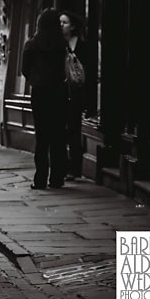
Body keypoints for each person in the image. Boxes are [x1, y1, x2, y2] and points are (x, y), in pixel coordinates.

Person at [22, 9, 69, 190]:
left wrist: (36, 78)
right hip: (59, 93)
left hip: (40, 93)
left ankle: (40, 179)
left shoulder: (31, 45)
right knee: (58, 136)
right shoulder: (62, 44)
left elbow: (25, 69)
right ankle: (57, 178)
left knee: (42, 138)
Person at [60, 11, 89, 181]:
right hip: (62, 92)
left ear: (73, 26)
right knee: (62, 131)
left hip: (77, 92)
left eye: (64, 22)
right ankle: (64, 166)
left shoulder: (82, 45)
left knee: (74, 129)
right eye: (59, 22)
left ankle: (75, 167)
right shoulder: (57, 44)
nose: (61, 25)